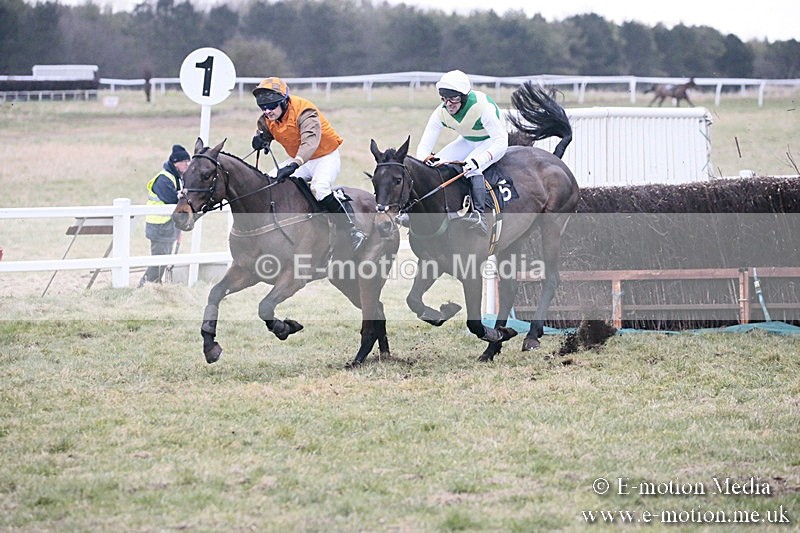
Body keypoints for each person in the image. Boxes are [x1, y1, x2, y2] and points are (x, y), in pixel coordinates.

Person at [250, 77, 366, 252]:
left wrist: (294, 164)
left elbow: (310, 143)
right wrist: (260, 141)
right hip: (301, 160)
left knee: (319, 189)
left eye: (272, 106)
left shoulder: (305, 112)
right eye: (263, 107)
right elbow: (264, 133)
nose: (267, 111)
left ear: (284, 101)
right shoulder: (267, 118)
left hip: (325, 156)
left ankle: (351, 230)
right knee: (270, 181)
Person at [415, 70, 509, 235]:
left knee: (471, 166)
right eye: (444, 99)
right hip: (467, 141)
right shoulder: (440, 113)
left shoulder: (482, 107)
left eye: (454, 98)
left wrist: (481, 159)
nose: (449, 104)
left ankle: (480, 216)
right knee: (437, 164)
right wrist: (426, 158)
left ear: (464, 97)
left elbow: (501, 141)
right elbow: (423, 148)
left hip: (492, 141)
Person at [138, 144, 190, 287]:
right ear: (175, 163)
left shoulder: (176, 178)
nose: (187, 164)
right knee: (158, 261)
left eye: (188, 161)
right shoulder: (163, 178)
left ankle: (152, 286)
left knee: (162, 260)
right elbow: (171, 199)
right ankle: (145, 286)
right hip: (159, 225)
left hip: (168, 226)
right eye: (184, 161)